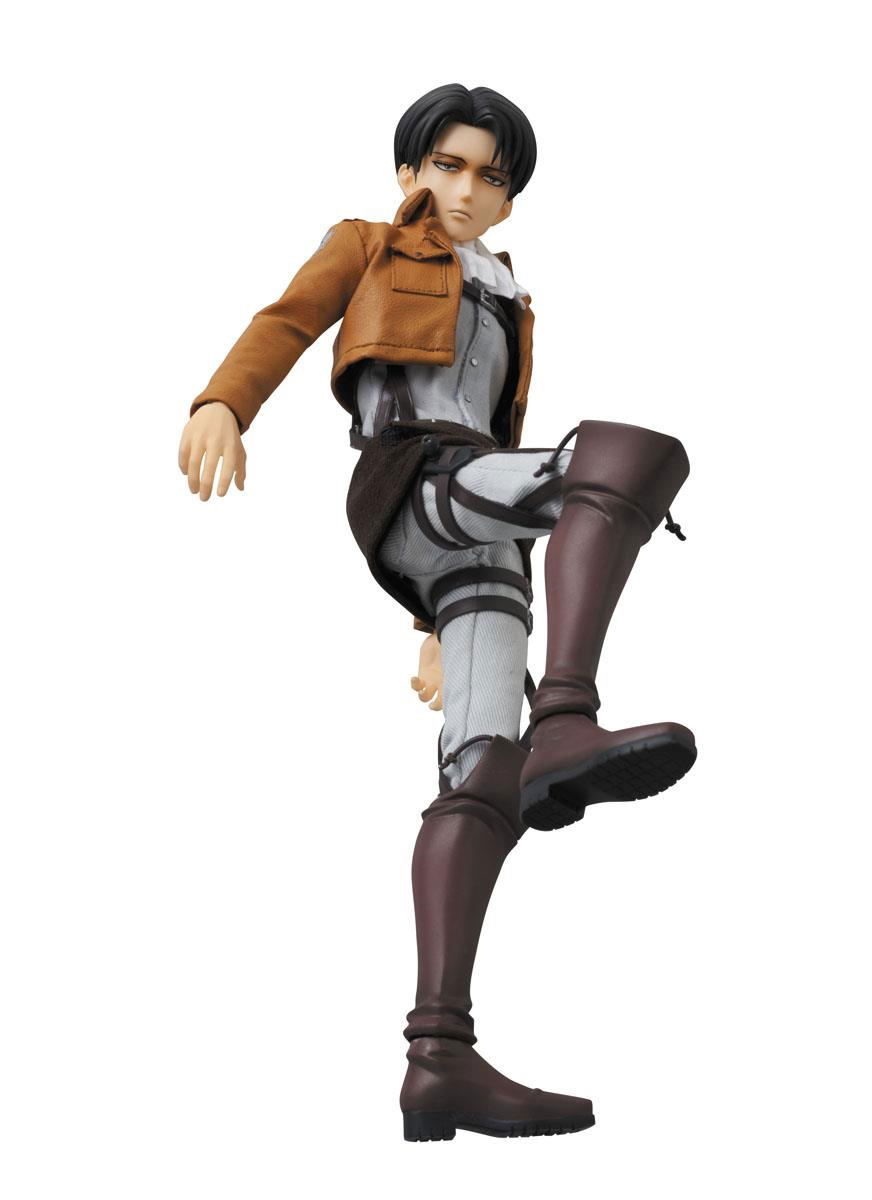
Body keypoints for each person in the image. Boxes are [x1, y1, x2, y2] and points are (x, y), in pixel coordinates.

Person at [177, 83, 696, 1141]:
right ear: (410, 171)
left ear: (509, 200)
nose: (466, 190)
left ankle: (438, 1058)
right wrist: (223, 402)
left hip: (472, 528)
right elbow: (287, 320)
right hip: (412, 476)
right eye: (448, 166)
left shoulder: (508, 295)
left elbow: (494, 432)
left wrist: (431, 620)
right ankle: (567, 716)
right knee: (619, 459)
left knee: (481, 774)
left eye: (490, 177)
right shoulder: (368, 242)